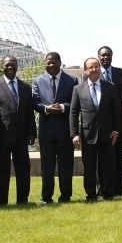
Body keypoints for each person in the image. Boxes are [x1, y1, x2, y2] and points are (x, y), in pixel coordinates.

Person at [0, 56, 37, 206]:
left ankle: (23, 200)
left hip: (21, 137)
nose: (10, 67)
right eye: (7, 65)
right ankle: (0, 202)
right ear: (2, 66)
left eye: (13, 64)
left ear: (17, 66)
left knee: (23, 170)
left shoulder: (25, 87)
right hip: (1, 137)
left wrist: (32, 133)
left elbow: (29, 112)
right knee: (1, 171)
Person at [70, 57, 121, 202]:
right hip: (88, 134)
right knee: (90, 167)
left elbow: (116, 110)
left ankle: (107, 193)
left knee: (108, 166)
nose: (94, 70)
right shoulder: (78, 89)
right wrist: (74, 134)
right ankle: (91, 194)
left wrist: (116, 130)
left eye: (96, 66)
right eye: (90, 67)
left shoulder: (109, 86)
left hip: (107, 133)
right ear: (85, 70)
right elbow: (73, 113)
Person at [32, 52, 78, 204]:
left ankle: (65, 196)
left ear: (60, 63)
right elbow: (35, 102)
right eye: (48, 62)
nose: (51, 65)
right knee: (47, 166)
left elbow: (76, 102)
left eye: (54, 62)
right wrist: (46, 109)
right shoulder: (38, 81)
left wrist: (64, 107)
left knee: (66, 165)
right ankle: (46, 197)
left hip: (65, 130)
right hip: (46, 131)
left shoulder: (72, 80)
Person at [98, 45, 122, 196]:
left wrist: (121, 124)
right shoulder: (93, 74)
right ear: (98, 57)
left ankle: (119, 189)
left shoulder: (121, 74)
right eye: (102, 55)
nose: (105, 58)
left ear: (112, 56)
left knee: (118, 157)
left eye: (108, 55)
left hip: (117, 122)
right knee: (101, 159)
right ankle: (101, 188)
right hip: (100, 124)